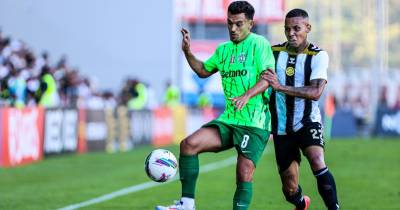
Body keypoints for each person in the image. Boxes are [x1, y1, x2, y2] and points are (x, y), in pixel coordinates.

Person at [156, 1, 275, 210]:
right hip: (229, 119)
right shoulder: (223, 50)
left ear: (251, 24)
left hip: (254, 122)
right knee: (188, 145)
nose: (233, 29)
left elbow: (268, 78)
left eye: (238, 24)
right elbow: (202, 70)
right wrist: (187, 51)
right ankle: (186, 205)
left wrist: (247, 95)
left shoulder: (259, 44)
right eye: (229, 23)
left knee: (244, 171)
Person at [263, 9, 339, 210]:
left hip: (307, 120)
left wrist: (280, 87)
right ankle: (300, 202)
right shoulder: (274, 52)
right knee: (289, 188)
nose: (291, 33)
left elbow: (315, 92)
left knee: (316, 160)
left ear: (308, 28)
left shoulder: (318, 55)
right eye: (287, 29)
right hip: (281, 127)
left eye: (296, 28)